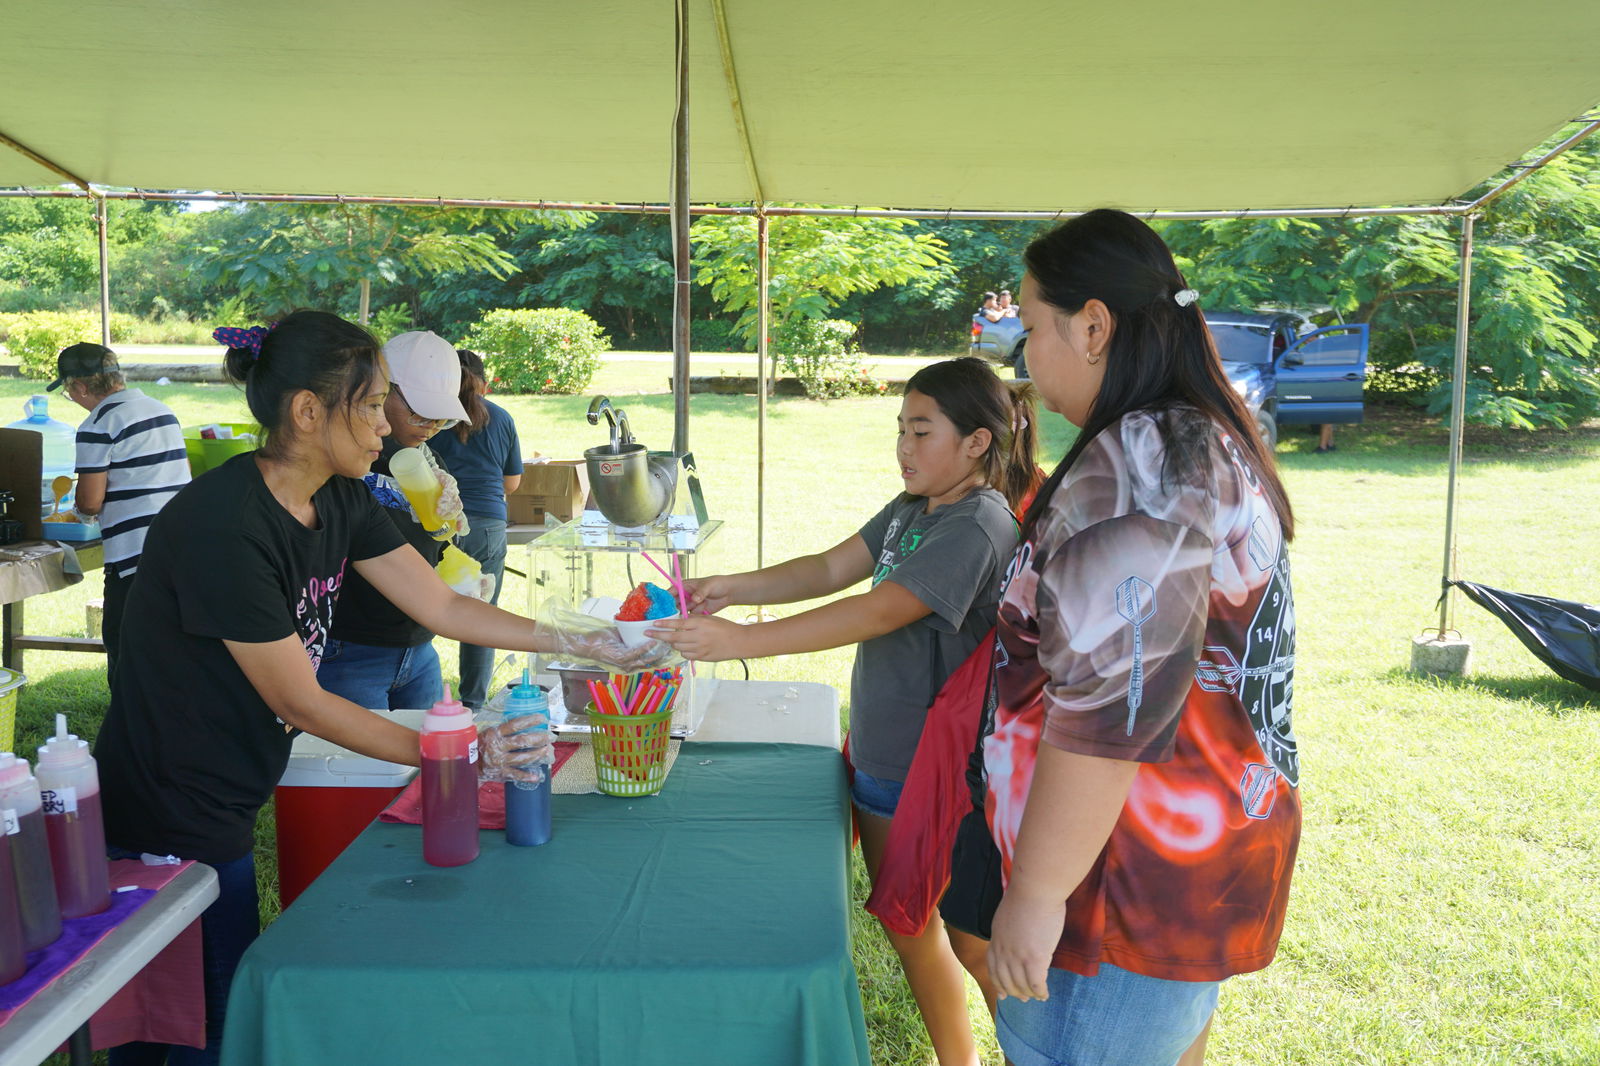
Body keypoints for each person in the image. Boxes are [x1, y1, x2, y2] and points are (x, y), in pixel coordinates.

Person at [92, 311, 657, 1066]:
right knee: (203, 1018)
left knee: (195, 1008)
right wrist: (456, 753)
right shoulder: (224, 525)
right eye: (368, 406)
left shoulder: (342, 498)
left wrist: (578, 640)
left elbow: (443, 605)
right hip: (171, 798)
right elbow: (302, 701)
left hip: (225, 782)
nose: (381, 428)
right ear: (306, 412)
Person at [941, 209, 1301, 1066]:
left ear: (1093, 325)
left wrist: (1034, 894)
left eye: (1031, 327)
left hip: (1117, 890)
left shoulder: (1146, 461)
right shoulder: (1194, 437)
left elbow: (1112, 714)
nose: (1023, 354)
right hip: (1171, 865)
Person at [653, 357, 1040, 1066]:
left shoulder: (979, 523)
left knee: (968, 939)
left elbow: (878, 608)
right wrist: (731, 587)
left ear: (978, 442)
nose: (903, 447)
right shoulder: (912, 510)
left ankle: (1025, 1054)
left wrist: (744, 642)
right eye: (900, 429)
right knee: (913, 926)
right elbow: (830, 568)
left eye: (921, 432)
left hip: (936, 768)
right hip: (884, 754)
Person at [315, 330, 470, 712]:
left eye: (442, 419)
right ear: (380, 392)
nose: (431, 427)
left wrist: (452, 525)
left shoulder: (430, 465)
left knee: (423, 766)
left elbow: (440, 546)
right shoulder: (349, 464)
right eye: (419, 412)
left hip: (418, 648)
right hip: (352, 649)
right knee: (361, 769)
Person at [48, 342, 189, 683]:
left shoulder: (98, 423)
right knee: (169, 652)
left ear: (79, 386)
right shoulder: (160, 409)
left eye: (69, 392)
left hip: (135, 558)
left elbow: (90, 502)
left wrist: (80, 512)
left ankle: (132, 731)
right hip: (182, 546)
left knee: (127, 653)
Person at [426, 349, 524, 710]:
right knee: (482, 617)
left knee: (422, 609)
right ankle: (473, 704)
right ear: (484, 383)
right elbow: (511, 484)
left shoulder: (430, 416)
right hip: (487, 526)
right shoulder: (501, 417)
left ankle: (422, 694)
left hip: (437, 525)